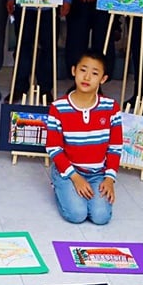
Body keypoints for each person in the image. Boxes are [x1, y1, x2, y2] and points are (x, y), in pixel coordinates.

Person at [45, 50, 122, 225]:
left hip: (98, 174)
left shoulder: (111, 107)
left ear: (103, 79)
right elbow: (53, 148)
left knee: (101, 217)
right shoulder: (58, 107)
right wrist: (75, 177)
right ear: (74, 71)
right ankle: (59, 187)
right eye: (83, 70)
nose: (87, 77)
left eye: (94, 73)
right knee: (77, 215)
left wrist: (109, 179)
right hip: (68, 172)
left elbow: (115, 147)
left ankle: (81, 193)